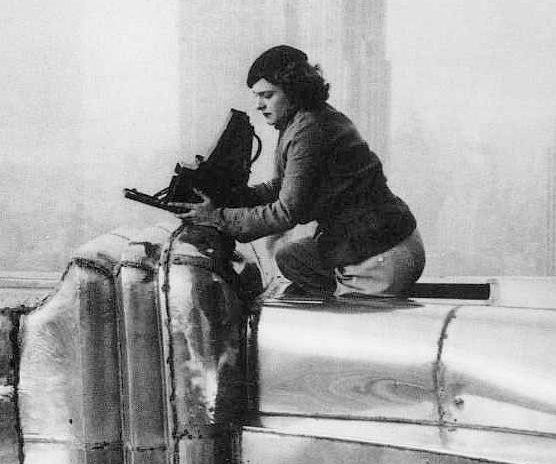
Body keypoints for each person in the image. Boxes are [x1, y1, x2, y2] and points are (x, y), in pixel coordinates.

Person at [175, 45, 425, 297]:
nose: (259, 105)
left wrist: (218, 217)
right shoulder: (309, 120)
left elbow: (286, 213)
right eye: (257, 96)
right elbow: (285, 185)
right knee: (291, 257)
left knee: (336, 325)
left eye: (268, 95)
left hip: (381, 255)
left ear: (294, 91)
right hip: (389, 239)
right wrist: (235, 198)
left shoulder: (309, 130)